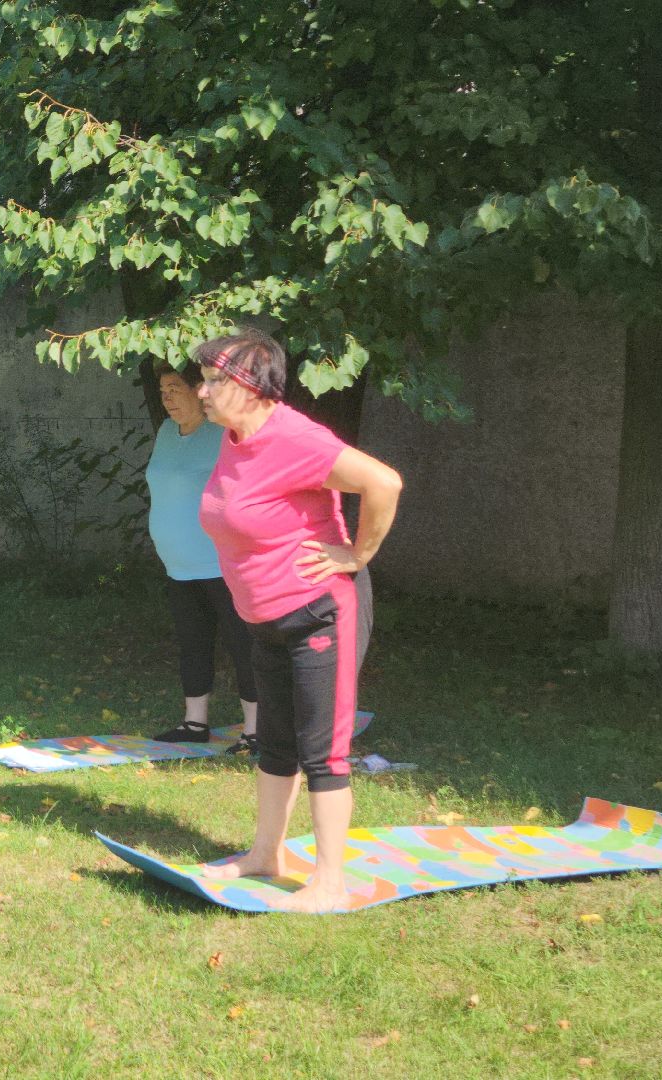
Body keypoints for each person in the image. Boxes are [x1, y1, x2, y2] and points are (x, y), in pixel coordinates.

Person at [192, 328, 402, 913]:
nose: (202, 392)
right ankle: (266, 855)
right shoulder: (236, 437)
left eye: (215, 381)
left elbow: (383, 483)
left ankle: (330, 881)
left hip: (317, 615)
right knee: (275, 745)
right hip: (266, 621)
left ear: (254, 388)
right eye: (205, 379)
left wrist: (356, 555)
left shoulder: (294, 438)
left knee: (323, 752)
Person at [145, 363, 259, 750]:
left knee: (243, 644)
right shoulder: (165, 432)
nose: (167, 398)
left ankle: (256, 730)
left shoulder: (224, 435)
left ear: (200, 390)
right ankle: (195, 724)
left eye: (175, 388)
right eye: (162, 391)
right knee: (192, 643)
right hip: (179, 567)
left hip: (221, 564)